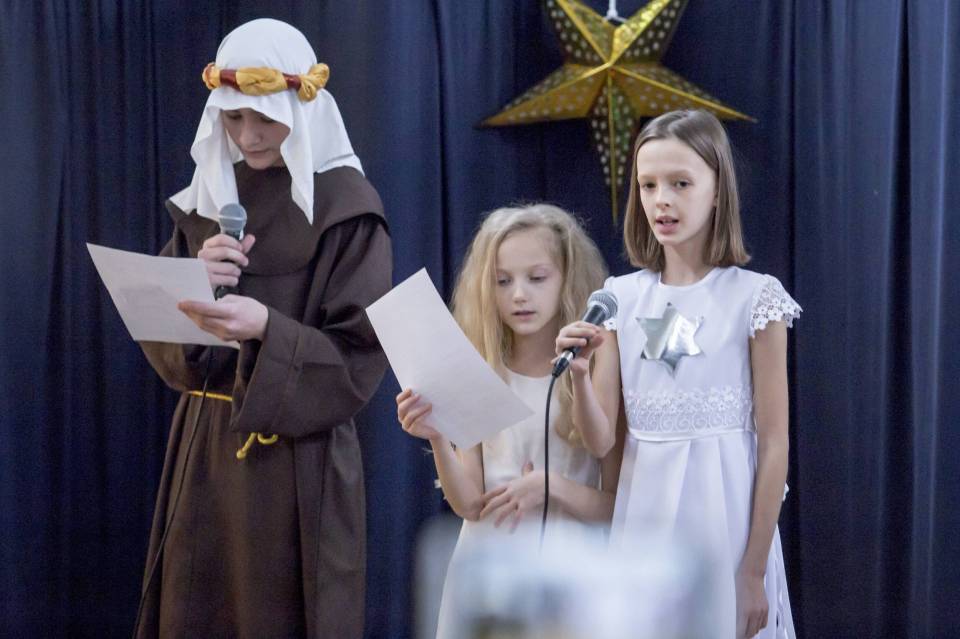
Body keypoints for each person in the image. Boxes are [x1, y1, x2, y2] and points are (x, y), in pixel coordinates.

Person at [135, 19, 391, 638]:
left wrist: (267, 329)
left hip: (298, 465)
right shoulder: (207, 201)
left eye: (264, 119)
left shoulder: (345, 208)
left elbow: (358, 361)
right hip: (205, 452)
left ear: (301, 112)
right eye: (233, 118)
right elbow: (170, 350)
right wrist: (191, 283)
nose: (247, 136)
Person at [557, 110, 799, 638]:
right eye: (648, 185)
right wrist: (579, 374)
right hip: (643, 529)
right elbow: (601, 440)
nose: (661, 200)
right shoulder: (619, 298)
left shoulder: (755, 298)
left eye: (680, 183)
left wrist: (753, 569)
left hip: (725, 528)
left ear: (717, 191)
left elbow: (774, 443)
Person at [395, 203, 619, 639]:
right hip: (487, 571)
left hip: (570, 576)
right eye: (503, 281)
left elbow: (615, 508)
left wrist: (548, 488)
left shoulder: (599, 358)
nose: (518, 294)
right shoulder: (478, 364)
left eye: (537, 278)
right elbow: (470, 505)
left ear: (568, 279)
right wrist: (438, 436)